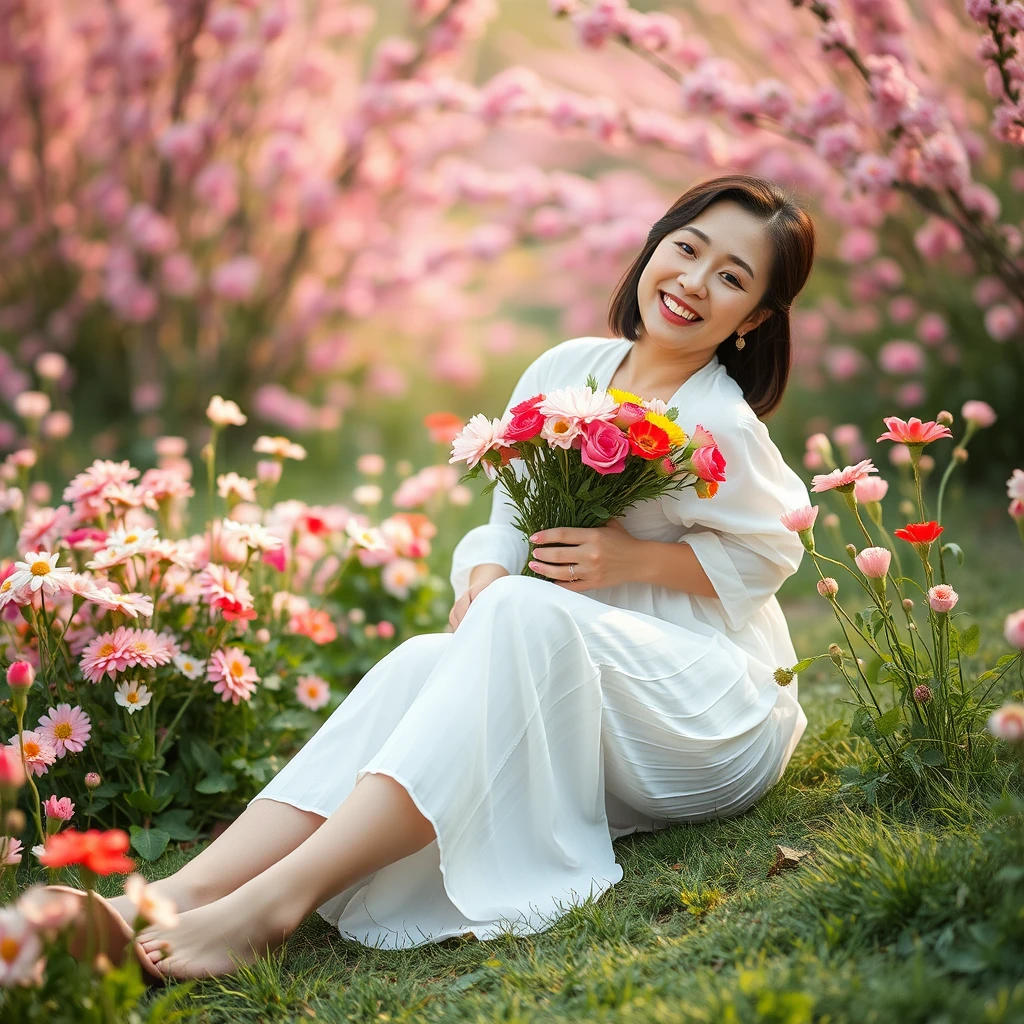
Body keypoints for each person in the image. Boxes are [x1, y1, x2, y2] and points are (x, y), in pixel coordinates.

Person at [118, 172, 816, 980]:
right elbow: (507, 519)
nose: (694, 282)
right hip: (591, 699)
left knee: (521, 610)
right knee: (423, 659)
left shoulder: (718, 420)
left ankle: (275, 904)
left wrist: (631, 560)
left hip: (708, 715)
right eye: (687, 248)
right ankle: (176, 890)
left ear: (755, 316)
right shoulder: (570, 368)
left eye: (731, 276)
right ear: (656, 244)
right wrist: (484, 576)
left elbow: (774, 551)